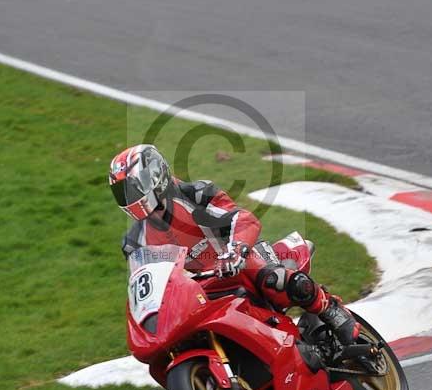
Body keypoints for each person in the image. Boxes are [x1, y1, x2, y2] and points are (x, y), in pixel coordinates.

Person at [109, 144, 360, 346]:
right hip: (199, 293)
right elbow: (147, 285)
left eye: (132, 189)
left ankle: (333, 313)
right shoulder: (133, 242)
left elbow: (243, 219)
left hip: (239, 261)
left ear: (154, 176)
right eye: (123, 193)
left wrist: (236, 250)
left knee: (277, 280)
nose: (129, 198)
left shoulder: (195, 195)